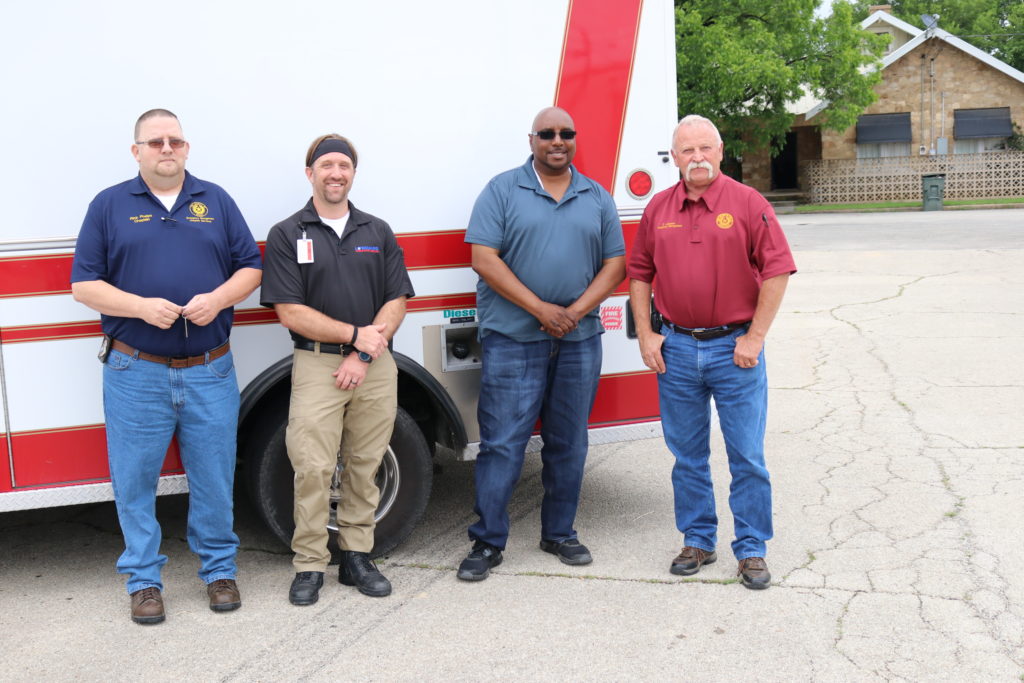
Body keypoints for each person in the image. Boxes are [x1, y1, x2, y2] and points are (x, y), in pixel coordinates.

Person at [70, 108, 263, 623]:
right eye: (154, 142)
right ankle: (144, 581)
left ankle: (220, 572)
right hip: (136, 371)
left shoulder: (215, 200)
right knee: (134, 480)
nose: (166, 148)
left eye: (174, 140)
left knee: (214, 476)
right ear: (136, 152)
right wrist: (140, 306)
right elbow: (83, 284)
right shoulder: (109, 205)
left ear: (187, 148)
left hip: (210, 369)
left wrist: (219, 299)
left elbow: (251, 267)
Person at [457, 106, 626, 581]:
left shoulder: (596, 196)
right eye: (547, 133)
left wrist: (573, 313)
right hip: (514, 340)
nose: (558, 140)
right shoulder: (502, 189)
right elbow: (483, 259)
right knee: (503, 445)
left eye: (566, 133)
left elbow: (615, 264)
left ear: (575, 139)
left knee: (569, 442)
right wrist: (541, 310)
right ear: (531, 139)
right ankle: (487, 542)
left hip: (579, 339)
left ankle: (560, 533)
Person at [627, 114, 796, 590]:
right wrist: (646, 333)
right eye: (687, 150)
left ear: (720, 152)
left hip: (734, 349)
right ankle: (698, 539)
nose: (697, 158)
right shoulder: (659, 208)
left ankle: (752, 549)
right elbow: (640, 273)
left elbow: (778, 270)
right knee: (687, 456)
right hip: (676, 349)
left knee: (746, 455)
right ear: (674, 157)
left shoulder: (748, 203)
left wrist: (755, 338)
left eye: (705, 148)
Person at [260, 134, 414, 604]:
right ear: (310, 174)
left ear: (352, 174)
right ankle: (309, 564)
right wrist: (353, 337)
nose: (335, 173)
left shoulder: (376, 230)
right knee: (312, 467)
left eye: (344, 165)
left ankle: (356, 557)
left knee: (365, 465)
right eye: (326, 165)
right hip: (316, 366)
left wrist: (364, 353)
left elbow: (396, 300)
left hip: (374, 365)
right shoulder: (289, 233)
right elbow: (290, 311)